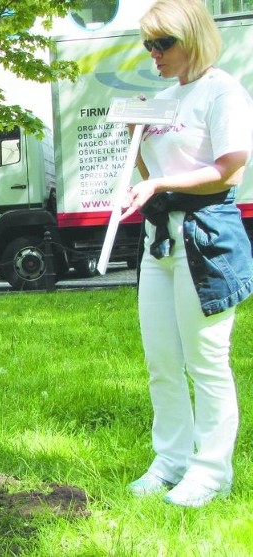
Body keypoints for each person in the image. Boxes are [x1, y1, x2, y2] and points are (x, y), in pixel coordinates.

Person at [121, 0, 253, 507]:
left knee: (206, 361)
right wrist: (132, 139)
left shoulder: (223, 92)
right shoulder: (162, 98)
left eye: (163, 43)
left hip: (207, 236)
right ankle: (170, 460)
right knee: (161, 359)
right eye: (148, 44)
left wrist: (160, 180)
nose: (153, 53)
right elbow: (147, 177)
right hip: (161, 241)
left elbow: (231, 169)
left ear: (192, 38)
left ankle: (212, 470)